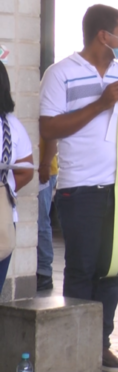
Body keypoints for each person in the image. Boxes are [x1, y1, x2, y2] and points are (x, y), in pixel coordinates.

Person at [39, 4, 118, 372]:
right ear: (104, 36)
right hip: (80, 188)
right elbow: (48, 128)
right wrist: (101, 103)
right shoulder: (61, 73)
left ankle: (101, 345)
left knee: (111, 269)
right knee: (81, 269)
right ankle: (73, 344)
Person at [0, 61, 34, 296]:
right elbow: (26, 170)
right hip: (2, 220)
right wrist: (6, 187)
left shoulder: (12, 125)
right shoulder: (12, 126)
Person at [36, 137, 58, 292]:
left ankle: (44, 272)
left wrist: (45, 164)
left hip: (44, 171)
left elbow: (52, 138)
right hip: (38, 169)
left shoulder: (43, 112)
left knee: (41, 221)